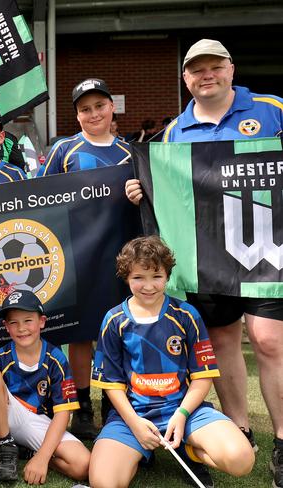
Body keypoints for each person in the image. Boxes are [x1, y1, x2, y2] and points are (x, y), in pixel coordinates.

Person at [125, 39, 283, 487]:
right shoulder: (175, 130)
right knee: (223, 339)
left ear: (231, 69)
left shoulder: (272, 109)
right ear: (186, 78)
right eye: (197, 70)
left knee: (269, 340)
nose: (206, 75)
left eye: (215, 66)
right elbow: (168, 188)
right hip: (208, 252)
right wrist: (145, 189)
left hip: (267, 249)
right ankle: (240, 426)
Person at [88, 236, 254, 488]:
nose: (148, 286)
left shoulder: (186, 314)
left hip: (184, 411)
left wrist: (182, 414)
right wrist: (135, 424)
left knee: (242, 460)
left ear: (167, 275)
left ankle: (189, 448)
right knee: (104, 482)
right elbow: (111, 384)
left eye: (156, 276)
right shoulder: (114, 320)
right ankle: (139, 451)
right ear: (126, 277)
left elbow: (203, 375)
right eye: (138, 278)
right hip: (133, 416)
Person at [38, 78, 132, 440]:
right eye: (85, 109)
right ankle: (81, 406)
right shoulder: (65, 150)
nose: (93, 114)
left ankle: (114, 404)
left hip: (120, 255)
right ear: (76, 115)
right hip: (76, 255)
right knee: (80, 334)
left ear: (112, 108)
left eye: (99, 106)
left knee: (117, 332)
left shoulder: (127, 152)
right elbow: (39, 197)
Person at [0, 289, 90, 484]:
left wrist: (43, 457)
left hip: (38, 422)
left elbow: (63, 413)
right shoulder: (1, 357)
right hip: (5, 416)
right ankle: (4, 444)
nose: (21, 328)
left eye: (28, 320)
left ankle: (29, 452)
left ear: (42, 321)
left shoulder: (55, 359)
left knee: (83, 465)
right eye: (14, 322)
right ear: (6, 326)